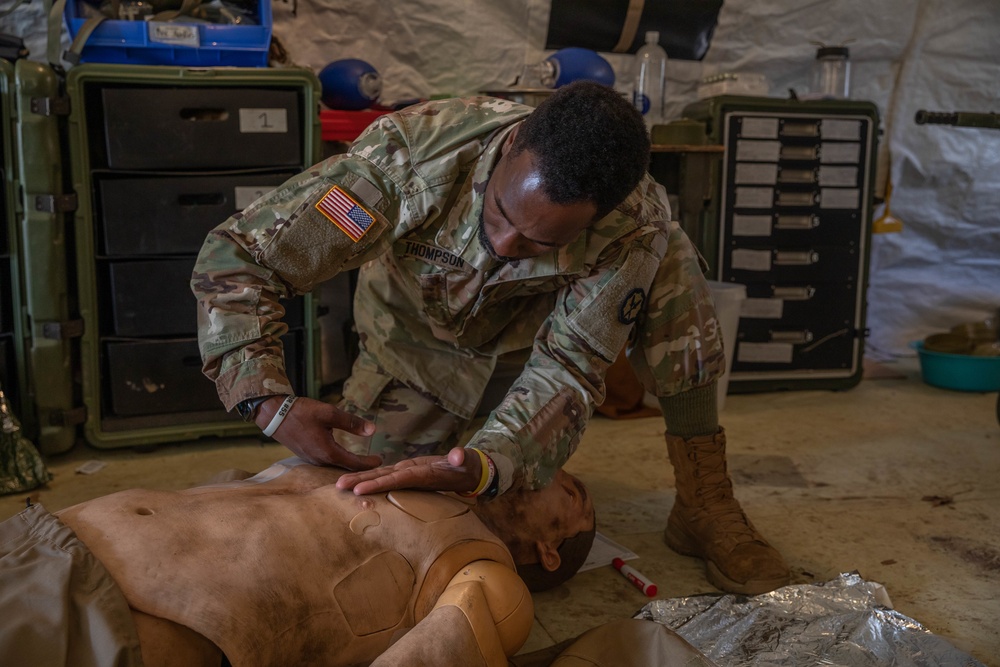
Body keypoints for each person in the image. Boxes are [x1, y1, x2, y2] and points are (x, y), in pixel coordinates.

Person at [191, 81, 789, 595]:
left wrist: (488, 463)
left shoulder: (632, 228)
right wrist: (267, 402)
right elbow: (240, 257)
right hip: (412, 359)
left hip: (522, 372)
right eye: (499, 213)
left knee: (673, 259)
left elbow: (572, 369)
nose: (503, 248)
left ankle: (705, 500)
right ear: (513, 142)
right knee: (354, 505)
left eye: (537, 245)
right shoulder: (407, 159)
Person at [0, 458, 595, 666]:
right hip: (44, 534)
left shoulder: (484, 569)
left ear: (549, 550)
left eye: (571, 492)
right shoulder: (410, 474)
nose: (547, 466)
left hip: (119, 619)